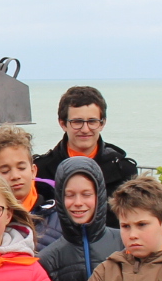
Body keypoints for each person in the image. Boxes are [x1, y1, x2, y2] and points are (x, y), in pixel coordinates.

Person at [33, 86, 139, 219]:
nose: (85, 129)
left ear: (102, 123)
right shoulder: (40, 171)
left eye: (92, 121)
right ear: (63, 123)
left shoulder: (124, 171)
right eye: (77, 122)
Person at [0, 124, 39, 216]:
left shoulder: (56, 212)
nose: (15, 176)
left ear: (33, 171)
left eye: (21, 168)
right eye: (5, 171)